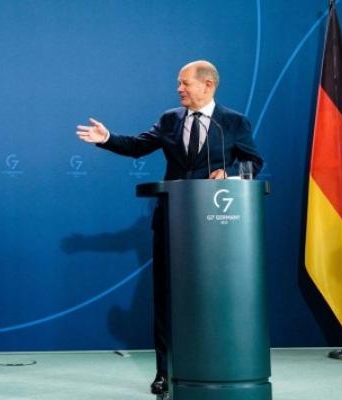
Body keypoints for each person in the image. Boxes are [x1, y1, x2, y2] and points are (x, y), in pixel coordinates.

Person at [76, 60, 263, 395]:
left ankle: (214, 365)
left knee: (211, 299)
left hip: (216, 229)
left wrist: (229, 173)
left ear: (208, 85)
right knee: (167, 299)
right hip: (173, 223)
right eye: (178, 83)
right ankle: (165, 371)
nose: (179, 89)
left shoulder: (233, 122)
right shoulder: (170, 119)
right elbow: (138, 146)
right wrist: (107, 139)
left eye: (185, 83)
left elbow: (253, 161)